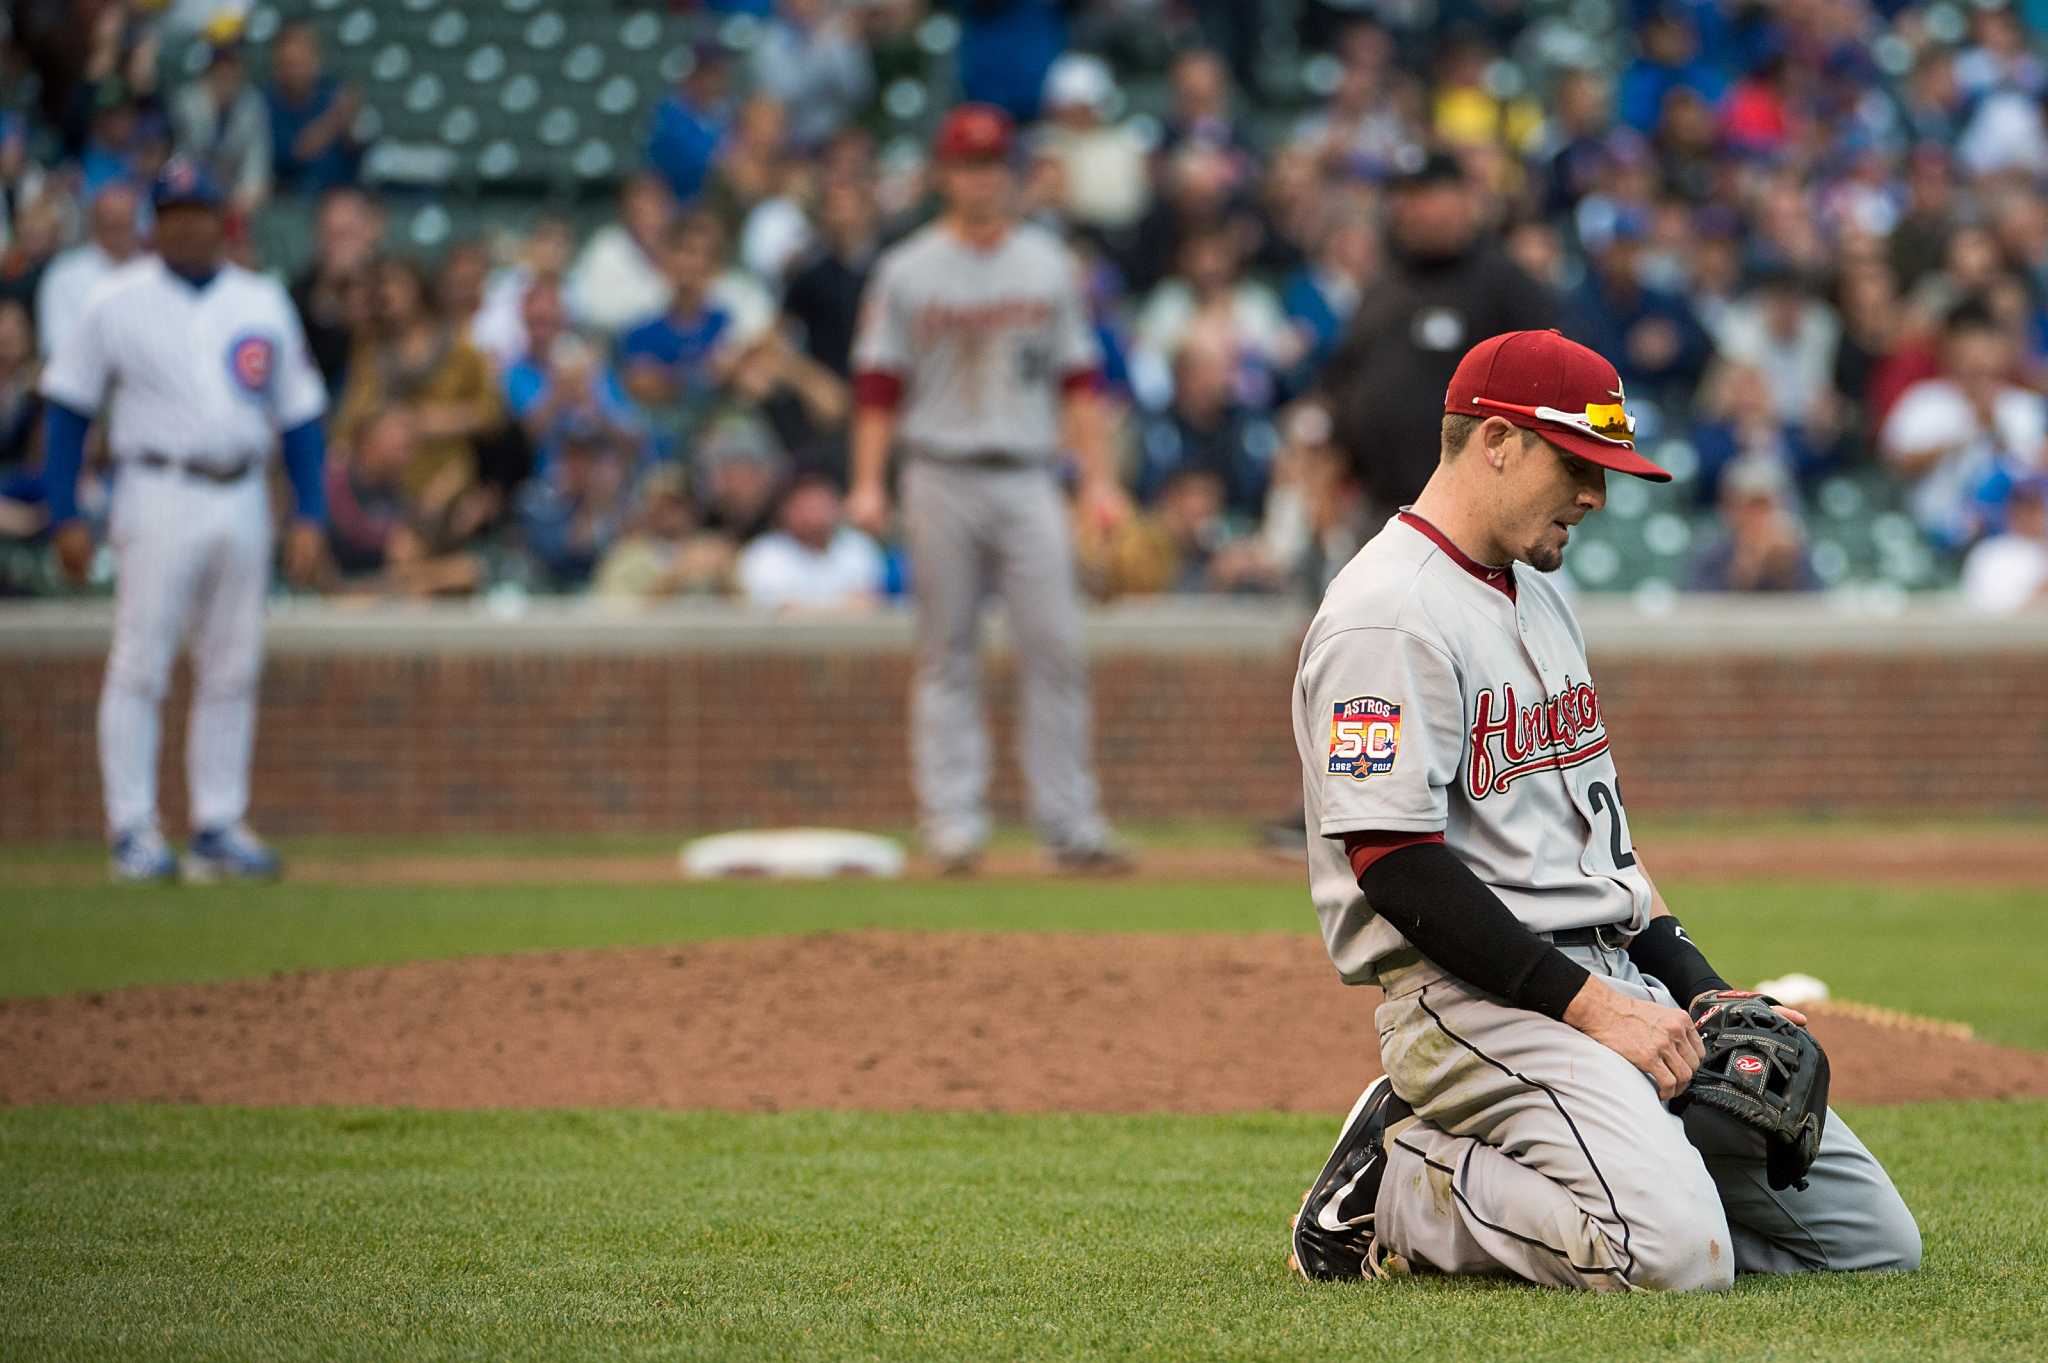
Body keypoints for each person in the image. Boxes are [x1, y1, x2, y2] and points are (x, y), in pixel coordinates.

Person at [1284, 328, 1919, 1290]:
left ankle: (1625, 1179)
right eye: (1579, 464)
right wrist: (1596, 1012)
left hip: (1617, 976)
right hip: (1478, 996)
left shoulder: (1538, 593)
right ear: (1497, 440)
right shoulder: (1388, 613)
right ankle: (1403, 1180)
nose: (1597, 495)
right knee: (1673, 1259)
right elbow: (1393, 860)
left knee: (1871, 1244)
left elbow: (1597, 841)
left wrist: (1698, 984)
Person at [848, 103, 1130, 874]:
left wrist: (1098, 481)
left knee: (1058, 648)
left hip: (1030, 472)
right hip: (937, 469)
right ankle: (952, 824)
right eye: (967, 163)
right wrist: (868, 482)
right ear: (944, 173)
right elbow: (877, 383)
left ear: (1010, 172)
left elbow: (1081, 382)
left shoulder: (1046, 264)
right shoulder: (906, 269)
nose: (980, 177)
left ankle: (1069, 824)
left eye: (992, 163)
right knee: (946, 653)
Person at [38, 158, 328, 882]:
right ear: (155, 223)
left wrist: (311, 513)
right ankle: (133, 830)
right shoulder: (115, 298)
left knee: (233, 665)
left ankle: (217, 823)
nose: (191, 223)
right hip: (156, 484)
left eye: (201, 209)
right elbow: (69, 410)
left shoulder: (261, 298)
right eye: (175, 212)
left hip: (241, 491)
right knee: (141, 661)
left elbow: (300, 417)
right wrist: (64, 512)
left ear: (222, 217)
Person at [1320, 150, 1557, 527]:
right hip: (1382, 508)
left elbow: (1551, 387)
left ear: (1464, 199)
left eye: (1427, 194)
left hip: (1476, 515)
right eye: (1405, 197)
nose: (1413, 209)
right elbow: (1343, 382)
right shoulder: (1383, 286)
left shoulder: (1504, 285)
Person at [1880, 301, 2048, 550]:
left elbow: (2037, 469)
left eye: (1984, 356)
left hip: (2015, 537)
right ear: (1952, 356)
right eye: (1969, 357)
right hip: (1935, 532)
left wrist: (1995, 432)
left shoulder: (2023, 406)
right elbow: (1894, 465)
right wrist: (1958, 440)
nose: (1978, 365)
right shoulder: (1925, 400)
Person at [735, 466, 886, 612]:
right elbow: (784, 612)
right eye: (805, 504)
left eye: (821, 503)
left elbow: (867, 606)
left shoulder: (859, 547)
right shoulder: (763, 554)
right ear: (785, 510)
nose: (814, 513)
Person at [1683, 455, 1823, 593]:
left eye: (1765, 506)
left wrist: (1786, 569)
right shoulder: (1712, 554)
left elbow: (1816, 604)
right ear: (1730, 508)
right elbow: (1697, 606)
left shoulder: (1795, 551)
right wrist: (1744, 569)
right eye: (1751, 506)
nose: (1759, 516)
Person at [35, 181, 140, 358]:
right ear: (95, 224)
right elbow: (56, 345)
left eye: (125, 223)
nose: (119, 232)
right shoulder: (65, 274)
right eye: (111, 224)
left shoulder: (154, 269)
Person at [168, 40, 270, 213]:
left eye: (233, 70)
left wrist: (246, 195)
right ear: (209, 72)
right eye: (221, 70)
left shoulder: (252, 103)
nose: (227, 76)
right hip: (192, 191)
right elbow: (179, 157)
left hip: (234, 195)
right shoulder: (186, 103)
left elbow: (256, 161)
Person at [263, 19, 361, 196]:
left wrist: (348, 126)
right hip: (289, 198)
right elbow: (292, 153)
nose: (295, 72)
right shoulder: (266, 102)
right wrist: (334, 120)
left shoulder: (332, 91)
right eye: (289, 64)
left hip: (337, 198)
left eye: (301, 62)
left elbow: (356, 151)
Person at [1960, 475, 2048, 613]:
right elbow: (1985, 606)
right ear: (2011, 512)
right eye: (2022, 509)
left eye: (2034, 509)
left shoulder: (2043, 551)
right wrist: (2037, 596)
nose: (2028, 516)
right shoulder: (1990, 554)